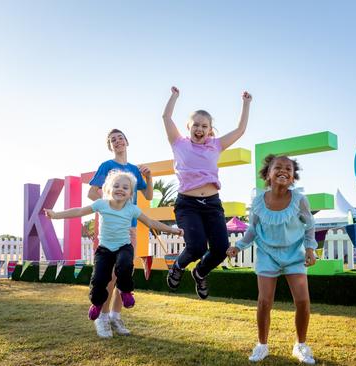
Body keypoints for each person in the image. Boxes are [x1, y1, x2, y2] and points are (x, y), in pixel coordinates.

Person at [45, 170, 183, 338]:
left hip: (123, 246)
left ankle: (125, 292)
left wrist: (173, 230)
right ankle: (96, 304)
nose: (120, 189)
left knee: (125, 264)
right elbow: (79, 211)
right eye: (116, 186)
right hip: (104, 249)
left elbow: (151, 222)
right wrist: (56, 215)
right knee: (99, 280)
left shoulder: (132, 209)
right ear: (109, 189)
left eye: (125, 187)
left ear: (130, 193)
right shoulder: (101, 204)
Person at [162, 86, 252, 299]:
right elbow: (166, 116)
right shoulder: (178, 143)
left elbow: (240, 130)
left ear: (210, 129)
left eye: (204, 126)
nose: (199, 129)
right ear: (189, 127)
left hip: (212, 204)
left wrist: (246, 104)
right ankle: (177, 266)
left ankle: (200, 272)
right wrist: (174, 97)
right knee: (196, 246)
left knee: (221, 249)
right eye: (196, 125)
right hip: (188, 204)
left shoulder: (216, 145)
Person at [226, 155, 317, 364]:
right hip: (268, 255)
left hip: (294, 255)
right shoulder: (258, 201)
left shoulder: (300, 200)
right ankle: (262, 345)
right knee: (264, 301)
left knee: (303, 301)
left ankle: (300, 345)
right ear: (268, 174)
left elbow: (310, 225)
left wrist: (310, 249)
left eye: (289, 169)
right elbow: (252, 230)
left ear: (293, 177)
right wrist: (238, 246)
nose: (283, 171)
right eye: (278, 167)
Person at [87, 129, 153, 337]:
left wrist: (149, 177)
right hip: (111, 229)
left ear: (127, 141)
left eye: (120, 138)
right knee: (109, 276)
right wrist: (111, 201)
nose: (117, 142)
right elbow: (91, 193)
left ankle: (116, 316)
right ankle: (102, 318)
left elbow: (148, 195)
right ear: (110, 146)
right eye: (112, 140)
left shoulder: (134, 169)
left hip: (130, 228)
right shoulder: (106, 167)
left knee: (124, 273)